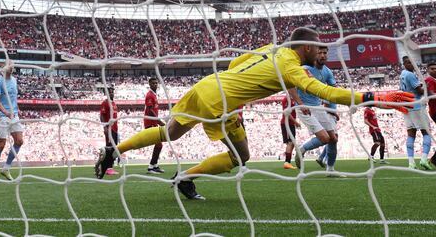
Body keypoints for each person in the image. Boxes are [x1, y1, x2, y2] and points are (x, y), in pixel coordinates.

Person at [94, 27, 413, 200]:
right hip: (221, 101)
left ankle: (114, 150)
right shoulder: (292, 65)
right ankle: (185, 179)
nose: (321, 53)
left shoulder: (271, 50)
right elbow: (326, 93)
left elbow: (235, 64)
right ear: (305, 48)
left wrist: (243, 86)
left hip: (207, 84)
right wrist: (374, 95)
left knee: (169, 132)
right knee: (240, 157)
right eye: (318, 49)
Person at [294, 46, 340, 176]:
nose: (322, 55)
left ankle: (330, 170)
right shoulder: (305, 69)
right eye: (319, 53)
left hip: (318, 107)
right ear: (314, 54)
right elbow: (290, 85)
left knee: (333, 139)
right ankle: (301, 149)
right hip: (305, 108)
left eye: (325, 53)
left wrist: (332, 109)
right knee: (325, 138)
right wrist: (301, 104)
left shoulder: (327, 72)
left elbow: (333, 92)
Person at [0, 62, 24, 181]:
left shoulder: (14, 80)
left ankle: (6, 168)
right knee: (1, 144)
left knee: (19, 141)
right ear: (3, 68)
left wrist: (16, 109)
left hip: (13, 115)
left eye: (13, 65)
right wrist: (5, 112)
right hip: (2, 115)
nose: (12, 67)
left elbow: (13, 97)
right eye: (9, 65)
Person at [399, 56, 434, 170]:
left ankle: (411, 163)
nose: (411, 65)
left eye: (412, 63)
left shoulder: (402, 75)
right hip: (417, 106)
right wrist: (426, 87)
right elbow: (419, 90)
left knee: (411, 134)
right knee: (426, 133)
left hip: (406, 106)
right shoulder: (410, 74)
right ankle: (424, 159)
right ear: (404, 64)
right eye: (408, 63)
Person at [144, 77, 165, 173]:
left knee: (159, 145)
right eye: (153, 83)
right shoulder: (149, 95)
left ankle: (155, 165)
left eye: (156, 83)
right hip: (150, 122)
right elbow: (150, 110)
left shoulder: (154, 95)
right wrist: (158, 120)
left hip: (154, 122)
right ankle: (151, 167)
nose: (155, 85)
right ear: (149, 84)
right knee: (159, 144)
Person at [100, 86, 120, 176]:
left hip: (115, 129)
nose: (111, 93)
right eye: (110, 92)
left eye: (112, 92)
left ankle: (102, 166)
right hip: (109, 128)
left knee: (113, 148)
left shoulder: (114, 103)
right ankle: (108, 168)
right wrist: (105, 127)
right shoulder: (105, 103)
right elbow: (102, 116)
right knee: (109, 148)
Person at [280, 92, 297, 170]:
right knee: (290, 142)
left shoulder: (292, 98)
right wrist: (295, 122)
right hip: (286, 123)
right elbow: (287, 113)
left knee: (292, 143)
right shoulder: (286, 99)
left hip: (290, 124)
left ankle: (288, 161)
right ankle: (287, 162)